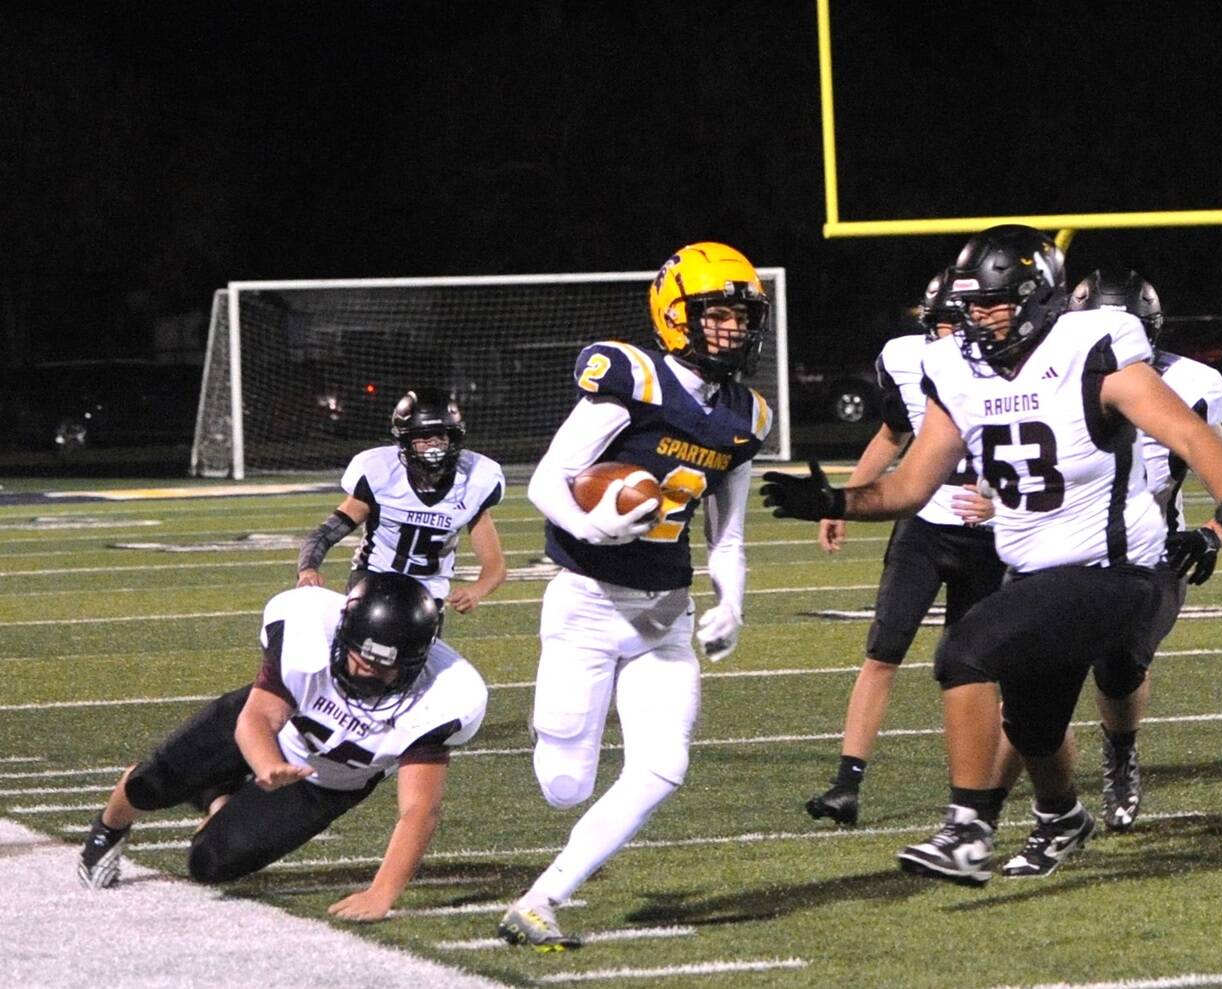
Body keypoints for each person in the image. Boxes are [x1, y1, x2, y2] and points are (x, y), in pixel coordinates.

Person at [762, 224, 1222, 886]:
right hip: (1036, 572)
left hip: (1121, 571)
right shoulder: (959, 371)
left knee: (966, 648)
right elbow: (912, 485)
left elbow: (1190, 431)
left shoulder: (1092, 351)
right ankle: (1062, 815)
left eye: (993, 302)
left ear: (1036, 297)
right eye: (970, 304)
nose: (978, 316)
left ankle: (967, 828)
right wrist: (840, 501)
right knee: (1031, 725)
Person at [497, 241, 774, 950]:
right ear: (677, 314)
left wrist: (731, 605)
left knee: (662, 765)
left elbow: (730, 536)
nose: (733, 330)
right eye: (717, 315)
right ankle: (558, 744)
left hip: (664, 615)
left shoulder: (745, 415)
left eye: (743, 317)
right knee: (564, 784)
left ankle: (540, 899)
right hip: (586, 604)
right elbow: (545, 480)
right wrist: (594, 523)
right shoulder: (636, 378)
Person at [989, 269, 1222, 833]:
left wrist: (1214, 531)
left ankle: (1120, 758)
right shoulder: (1042, 373)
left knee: (1119, 663)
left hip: (1150, 553)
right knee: (1028, 678)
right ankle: (981, 808)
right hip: (1058, 553)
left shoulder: (1191, 385)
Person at [76, 572, 488, 921]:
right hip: (265, 732)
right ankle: (108, 829)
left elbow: (419, 809)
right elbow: (257, 720)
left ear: (413, 660)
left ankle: (219, 795)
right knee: (151, 785)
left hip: (323, 783)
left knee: (209, 863)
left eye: (382, 665)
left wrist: (381, 895)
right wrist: (267, 763)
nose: (365, 669)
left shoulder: (443, 696)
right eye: (359, 657)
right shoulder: (308, 631)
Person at [806, 272, 1006, 827]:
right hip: (923, 526)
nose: (945, 335)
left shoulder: (1016, 367)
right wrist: (840, 502)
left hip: (990, 536)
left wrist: (1006, 508)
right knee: (882, 651)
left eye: (956, 322)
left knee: (975, 669)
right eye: (938, 323)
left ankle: (974, 792)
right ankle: (846, 784)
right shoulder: (904, 358)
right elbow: (893, 434)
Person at [296, 387, 507, 618]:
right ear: (406, 440)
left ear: (453, 438)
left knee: (415, 652)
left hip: (428, 593)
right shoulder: (381, 473)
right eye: (425, 438)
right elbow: (324, 534)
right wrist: (307, 569)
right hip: (374, 579)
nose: (434, 446)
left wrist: (476, 591)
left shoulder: (474, 482)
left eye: (440, 436)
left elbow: (494, 566)